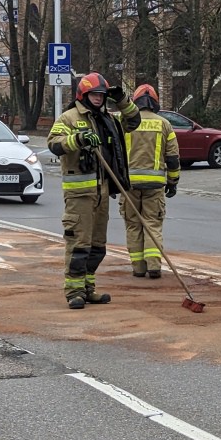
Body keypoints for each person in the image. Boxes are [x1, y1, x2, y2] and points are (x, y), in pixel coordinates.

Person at [47, 72, 142, 309]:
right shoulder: (69, 118)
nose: (99, 99)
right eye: (94, 95)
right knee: (79, 244)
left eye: (102, 95)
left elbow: (134, 122)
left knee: (97, 246)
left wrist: (123, 101)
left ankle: (89, 288)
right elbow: (54, 143)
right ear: (84, 94)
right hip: (79, 194)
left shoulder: (108, 119)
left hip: (102, 192)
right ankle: (74, 291)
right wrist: (78, 140)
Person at [119, 84, 180, 278]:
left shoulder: (123, 122)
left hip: (128, 185)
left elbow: (113, 154)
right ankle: (154, 266)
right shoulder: (164, 124)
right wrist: (173, 181)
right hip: (154, 185)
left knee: (133, 225)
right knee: (152, 224)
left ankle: (138, 268)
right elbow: (172, 158)